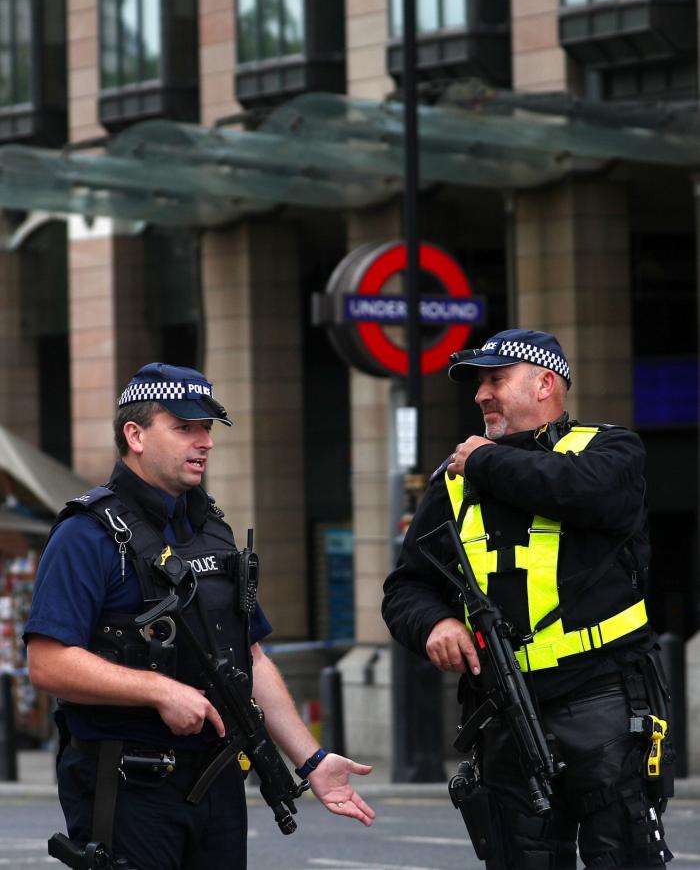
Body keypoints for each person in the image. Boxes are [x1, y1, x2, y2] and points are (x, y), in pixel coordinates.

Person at [25, 362, 375, 870]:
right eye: (185, 427)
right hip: (131, 786)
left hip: (217, 783)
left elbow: (250, 658)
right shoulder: (86, 534)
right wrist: (159, 690)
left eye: (207, 428)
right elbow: (47, 663)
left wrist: (311, 759)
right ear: (135, 435)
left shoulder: (212, 528)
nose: (205, 442)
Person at [382, 329, 673, 870]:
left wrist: (484, 462)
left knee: (624, 857)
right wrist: (435, 624)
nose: (481, 395)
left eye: (496, 380)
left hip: (603, 698)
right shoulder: (455, 480)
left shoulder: (609, 449)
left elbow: (581, 491)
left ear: (544, 384)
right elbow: (405, 587)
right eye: (478, 385)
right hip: (503, 707)